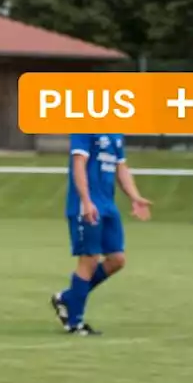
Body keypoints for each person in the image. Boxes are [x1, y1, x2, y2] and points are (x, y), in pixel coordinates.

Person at [50, 133, 150, 335]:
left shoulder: (115, 133)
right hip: (87, 205)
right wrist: (86, 201)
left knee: (117, 259)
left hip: (108, 206)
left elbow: (121, 167)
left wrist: (135, 197)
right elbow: (79, 164)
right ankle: (75, 323)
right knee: (89, 260)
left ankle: (68, 299)